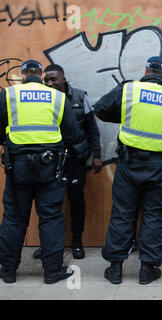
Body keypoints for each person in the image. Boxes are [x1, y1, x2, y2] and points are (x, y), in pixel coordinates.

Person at [94, 56, 162, 285]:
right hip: (158, 168)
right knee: (154, 216)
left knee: (122, 214)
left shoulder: (129, 90)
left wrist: (126, 115)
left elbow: (100, 109)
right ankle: (147, 269)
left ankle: (116, 268)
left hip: (129, 165)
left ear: (146, 71)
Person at [0, 60, 84, 284]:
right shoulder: (57, 97)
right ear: (41, 74)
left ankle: (8, 271)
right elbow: (73, 134)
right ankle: (52, 271)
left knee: (14, 218)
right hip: (50, 167)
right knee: (51, 218)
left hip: (17, 167)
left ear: (22, 74)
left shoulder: (8, 95)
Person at [32, 64, 102, 260]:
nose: (50, 83)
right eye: (46, 80)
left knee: (76, 200)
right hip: (50, 160)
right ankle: (49, 245)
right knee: (48, 203)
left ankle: (77, 242)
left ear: (63, 78)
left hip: (74, 159)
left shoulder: (79, 97)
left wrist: (96, 155)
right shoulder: (42, 98)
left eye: (54, 79)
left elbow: (92, 128)